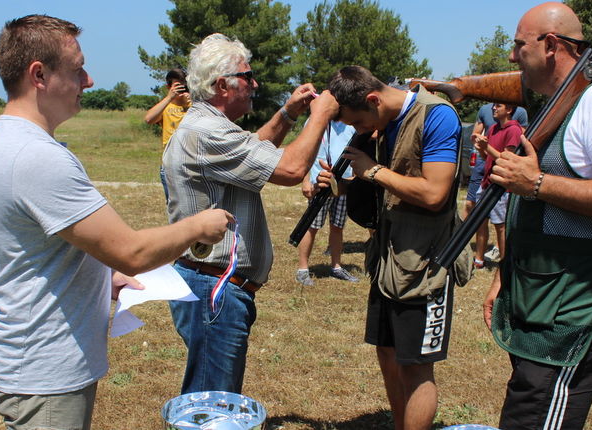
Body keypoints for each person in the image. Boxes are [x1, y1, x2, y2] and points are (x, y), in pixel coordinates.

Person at [0, 15, 232, 430]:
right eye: (77, 69)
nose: (89, 79)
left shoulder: (11, 139)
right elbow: (130, 251)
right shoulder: (38, 158)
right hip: (45, 371)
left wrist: (100, 278)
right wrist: (198, 226)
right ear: (38, 75)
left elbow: (36, 247)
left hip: (33, 359)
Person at [482, 3, 592, 429]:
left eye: (518, 44)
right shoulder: (561, 103)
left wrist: (537, 183)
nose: (511, 56)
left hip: (577, 311)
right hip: (543, 299)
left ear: (551, 45)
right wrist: (502, 275)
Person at [163, 33, 339, 395]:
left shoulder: (209, 127)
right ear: (221, 85)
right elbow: (290, 170)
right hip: (215, 288)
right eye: (248, 76)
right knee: (211, 403)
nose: (255, 83)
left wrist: (289, 113)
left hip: (211, 284)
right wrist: (319, 117)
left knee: (210, 392)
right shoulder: (208, 131)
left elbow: (253, 148)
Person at [326, 65, 461, 430]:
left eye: (356, 122)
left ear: (373, 99)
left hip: (426, 263)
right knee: (387, 352)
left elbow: (435, 193)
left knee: (417, 365)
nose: (357, 131)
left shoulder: (438, 116)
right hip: (387, 258)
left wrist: (371, 170)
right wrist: (343, 186)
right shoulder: (380, 124)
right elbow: (382, 195)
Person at [295, 120, 359, 286]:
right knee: (312, 226)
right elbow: (306, 152)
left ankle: (336, 266)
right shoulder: (316, 119)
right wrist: (305, 181)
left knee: (338, 226)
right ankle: (302, 269)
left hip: (344, 183)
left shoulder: (351, 122)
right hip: (320, 183)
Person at [467, 102, 529, 268]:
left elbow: (505, 159)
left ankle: (504, 264)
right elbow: (487, 156)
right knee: (480, 220)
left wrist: (487, 147)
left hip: (501, 186)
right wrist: (480, 147)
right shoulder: (493, 128)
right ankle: (479, 258)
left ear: (509, 109)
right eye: (494, 106)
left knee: (500, 226)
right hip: (487, 181)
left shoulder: (514, 130)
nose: (494, 108)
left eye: (498, 106)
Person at [144, 68, 191, 202]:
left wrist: (191, 104)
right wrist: (169, 97)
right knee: (173, 208)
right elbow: (148, 119)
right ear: (168, 87)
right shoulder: (166, 107)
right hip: (170, 165)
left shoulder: (194, 106)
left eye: (184, 86)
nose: (182, 90)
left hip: (191, 165)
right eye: (177, 86)